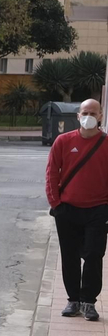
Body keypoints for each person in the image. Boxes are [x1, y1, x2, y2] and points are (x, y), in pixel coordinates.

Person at [47, 98, 108, 321]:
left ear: (100, 116)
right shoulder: (63, 141)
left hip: (98, 210)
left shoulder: (106, 144)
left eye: (93, 112)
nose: (89, 116)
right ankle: (73, 299)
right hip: (68, 210)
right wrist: (56, 204)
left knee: (94, 255)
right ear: (78, 116)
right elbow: (52, 173)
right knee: (70, 256)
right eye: (85, 112)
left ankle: (89, 302)